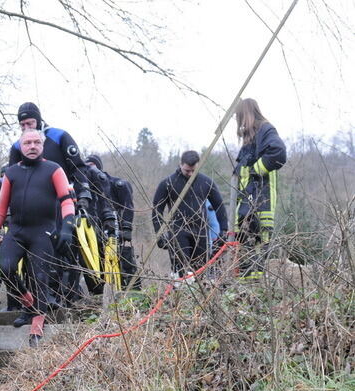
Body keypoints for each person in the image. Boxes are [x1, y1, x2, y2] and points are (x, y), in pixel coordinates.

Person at [0, 129, 76, 346]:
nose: (32, 146)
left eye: (37, 142)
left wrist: (67, 227)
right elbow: (0, 208)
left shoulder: (53, 169)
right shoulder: (11, 173)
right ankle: (29, 304)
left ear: (43, 146)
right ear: (21, 146)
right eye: (28, 142)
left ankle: (37, 324)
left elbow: (66, 199)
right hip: (17, 230)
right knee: (5, 268)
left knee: (40, 277)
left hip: (42, 231)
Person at [8, 102, 92, 308]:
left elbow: (78, 167)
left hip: (63, 202)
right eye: (22, 125)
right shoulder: (19, 146)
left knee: (65, 248)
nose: (27, 128)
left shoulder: (59, 136)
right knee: (34, 254)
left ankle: (70, 296)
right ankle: (40, 299)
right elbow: (11, 181)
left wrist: (84, 195)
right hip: (32, 209)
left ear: (39, 119)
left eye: (30, 122)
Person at [152, 150, 229, 281]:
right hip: (178, 231)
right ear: (180, 164)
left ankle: (200, 298)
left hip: (201, 232)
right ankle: (179, 298)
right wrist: (159, 235)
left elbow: (219, 206)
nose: (190, 174)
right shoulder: (168, 183)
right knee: (181, 272)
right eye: (187, 171)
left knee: (201, 272)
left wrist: (224, 230)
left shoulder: (206, 182)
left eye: (193, 170)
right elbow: (156, 211)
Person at [233, 98, 286, 280]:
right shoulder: (250, 140)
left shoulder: (265, 129)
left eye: (239, 117)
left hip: (260, 204)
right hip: (245, 207)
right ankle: (247, 296)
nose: (238, 124)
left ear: (245, 114)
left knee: (258, 253)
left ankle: (258, 294)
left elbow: (278, 153)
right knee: (245, 255)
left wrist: (256, 170)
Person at [84, 155, 140, 290]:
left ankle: (130, 293)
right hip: (91, 236)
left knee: (122, 267)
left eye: (93, 165)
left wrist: (126, 228)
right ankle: (98, 295)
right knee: (94, 268)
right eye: (87, 166)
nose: (91, 169)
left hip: (115, 235)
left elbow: (127, 206)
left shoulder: (117, 184)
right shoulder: (83, 190)